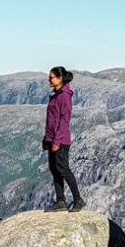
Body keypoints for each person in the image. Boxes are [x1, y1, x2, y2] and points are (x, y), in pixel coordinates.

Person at [43, 66, 85, 212]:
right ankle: (60, 201)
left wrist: (57, 141)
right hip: (52, 139)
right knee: (55, 170)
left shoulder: (64, 96)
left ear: (60, 79)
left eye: (51, 77)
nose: (49, 79)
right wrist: (47, 139)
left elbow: (64, 119)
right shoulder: (56, 94)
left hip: (60, 141)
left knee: (64, 170)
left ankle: (78, 200)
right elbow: (51, 120)